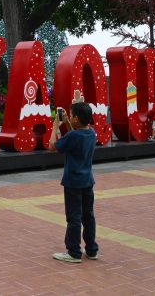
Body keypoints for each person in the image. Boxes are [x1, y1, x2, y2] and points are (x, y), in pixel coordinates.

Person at [48, 102, 98, 263]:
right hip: (87, 181)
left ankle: (74, 251)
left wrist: (56, 126)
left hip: (73, 182)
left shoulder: (73, 136)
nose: (68, 117)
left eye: (70, 115)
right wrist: (69, 125)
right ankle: (91, 249)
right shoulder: (91, 133)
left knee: (74, 216)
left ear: (76, 118)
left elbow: (51, 147)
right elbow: (75, 139)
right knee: (88, 215)